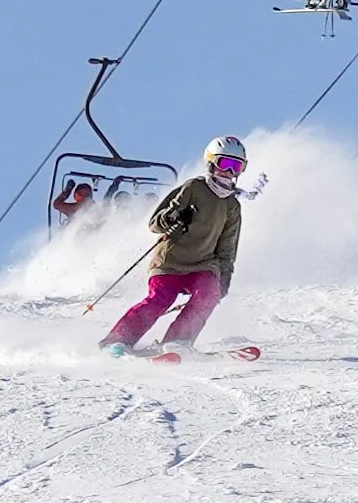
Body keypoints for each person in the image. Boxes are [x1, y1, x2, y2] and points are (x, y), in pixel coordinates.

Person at [98, 135, 247, 355]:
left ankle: (178, 341)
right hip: (170, 261)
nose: (229, 171)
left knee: (208, 294)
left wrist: (224, 278)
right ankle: (117, 340)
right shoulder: (194, 188)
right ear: (211, 163)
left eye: (236, 166)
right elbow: (155, 223)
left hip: (203, 264)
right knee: (161, 299)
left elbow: (227, 247)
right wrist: (174, 217)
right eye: (224, 163)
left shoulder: (232, 205)